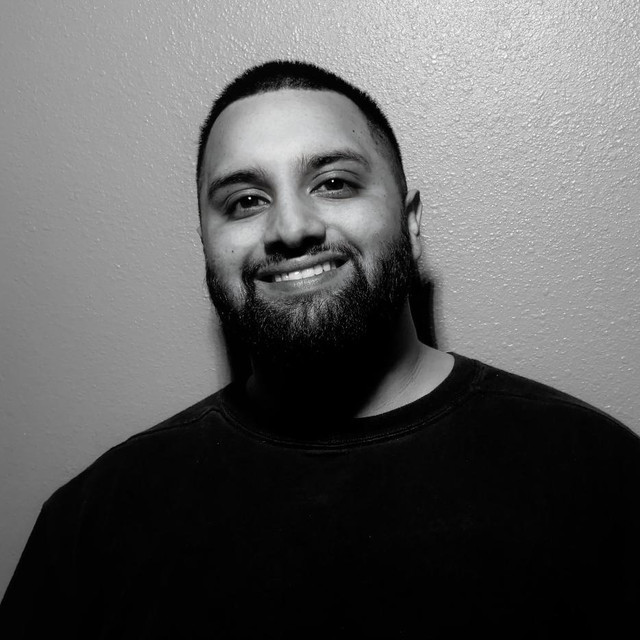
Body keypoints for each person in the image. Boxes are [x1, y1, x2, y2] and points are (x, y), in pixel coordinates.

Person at [1, 60, 639, 639]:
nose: (291, 228)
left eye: (333, 182)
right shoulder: (95, 522)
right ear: (206, 245)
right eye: (245, 201)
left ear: (411, 222)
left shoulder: (598, 476)